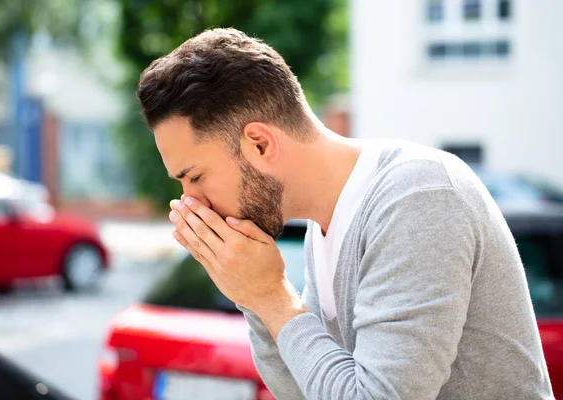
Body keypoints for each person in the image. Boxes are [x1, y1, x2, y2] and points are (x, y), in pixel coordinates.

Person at [136, 28, 554, 399]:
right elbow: (305, 391)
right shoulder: (324, 226)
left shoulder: (416, 195)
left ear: (259, 144)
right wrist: (251, 294)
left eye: (194, 176)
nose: (191, 201)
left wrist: (272, 297)